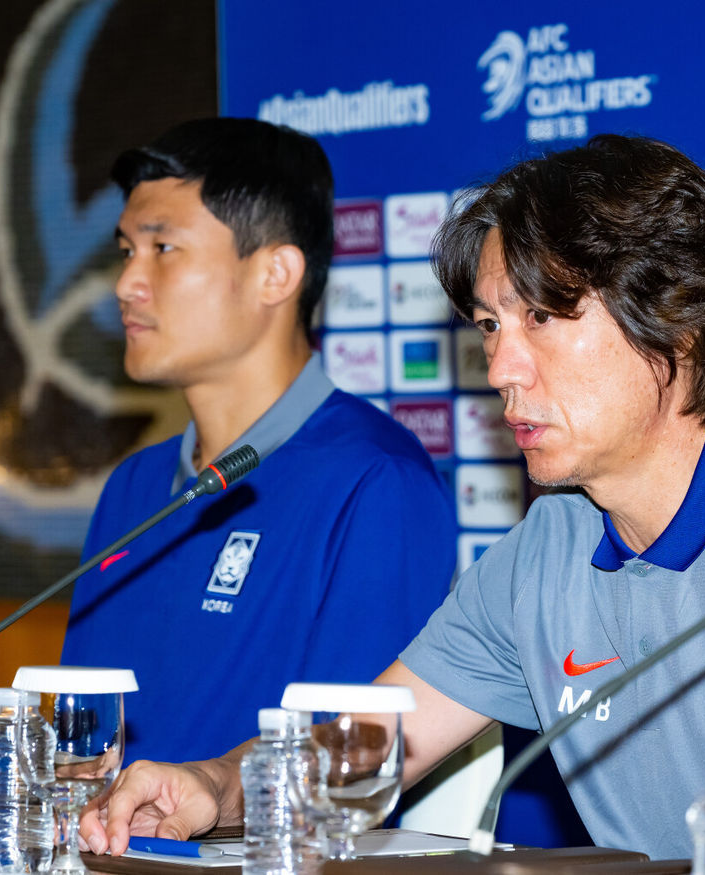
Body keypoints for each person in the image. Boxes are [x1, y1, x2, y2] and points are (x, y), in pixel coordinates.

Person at [78, 134, 705, 861]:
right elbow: (367, 746)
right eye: (489, 324)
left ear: (676, 320)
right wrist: (213, 784)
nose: (502, 369)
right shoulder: (552, 543)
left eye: (545, 318)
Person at [62, 118, 456, 765]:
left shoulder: (376, 481)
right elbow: (79, 750)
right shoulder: (132, 486)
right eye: (127, 250)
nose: (126, 283)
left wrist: (205, 798)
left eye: (162, 250)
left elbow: (346, 764)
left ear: (276, 274)